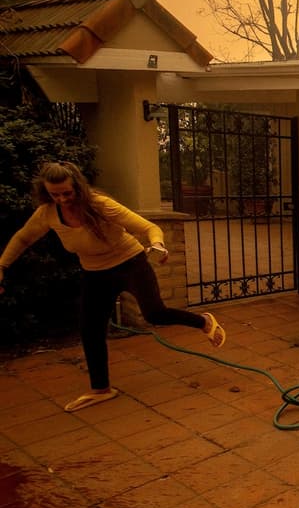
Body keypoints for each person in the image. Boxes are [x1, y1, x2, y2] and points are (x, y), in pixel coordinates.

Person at [0, 161, 227, 412]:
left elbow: (148, 226)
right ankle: (101, 389)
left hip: (130, 263)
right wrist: (2, 266)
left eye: (67, 193)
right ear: (46, 192)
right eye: (55, 194)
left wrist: (158, 243)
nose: (62, 199)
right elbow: (23, 237)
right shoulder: (47, 213)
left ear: (78, 187)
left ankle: (203, 321)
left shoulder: (99, 205)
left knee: (154, 313)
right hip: (94, 273)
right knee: (90, 329)